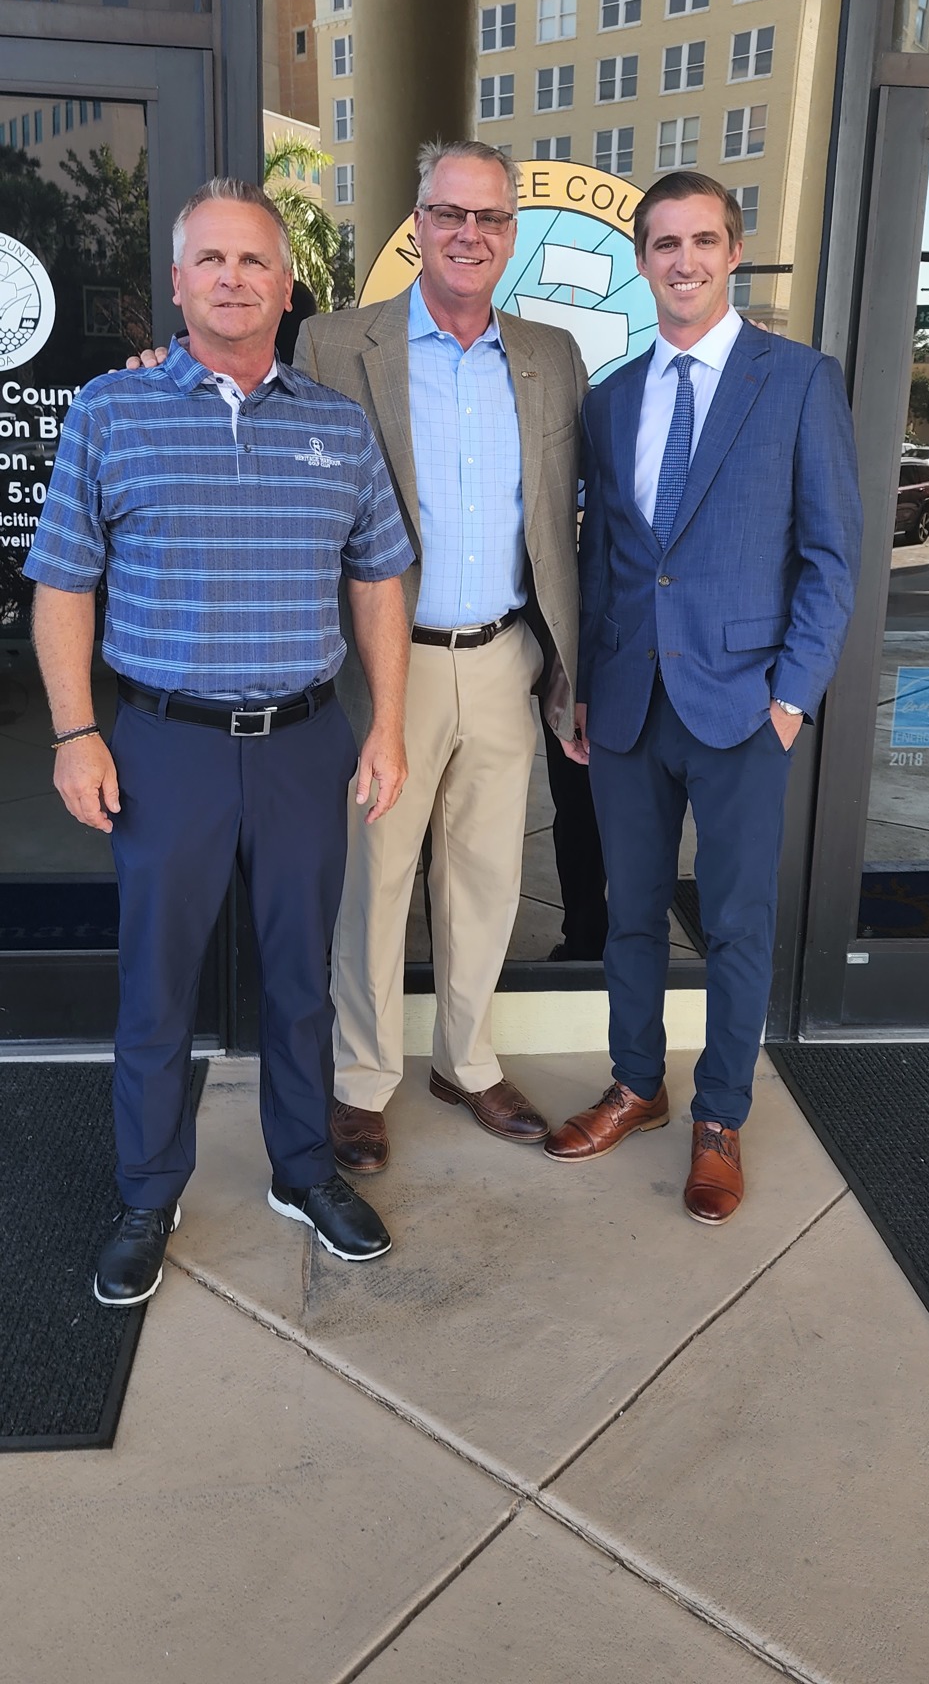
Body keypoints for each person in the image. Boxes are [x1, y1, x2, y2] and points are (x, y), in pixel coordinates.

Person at [25, 178, 414, 1305]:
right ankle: (149, 1189)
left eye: (255, 262)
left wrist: (383, 724)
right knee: (156, 985)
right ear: (179, 284)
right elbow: (62, 584)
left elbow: (379, 575)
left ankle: (303, 1170)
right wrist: (75, 730)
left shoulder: (337, 425)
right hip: (163, 747)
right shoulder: (111, 411)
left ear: (286, 288)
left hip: (303, 743)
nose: (234, 279)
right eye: (212, 262)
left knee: (300, 975)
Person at [543, 171, 862, 1221]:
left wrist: (789, 696)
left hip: (741, 707)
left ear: (734, 251)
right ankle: (637, 1084)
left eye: (702, 240)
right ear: (641, 261)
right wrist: (584, 689)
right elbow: (602, 559)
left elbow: (830, 557)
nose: (682, 259)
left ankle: (718, 1113)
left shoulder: (799, 381)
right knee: (627, 915)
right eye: (664, 242)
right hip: (628, 706)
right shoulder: (609, 398)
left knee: (733, 922)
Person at [295, 139, 588, 1171]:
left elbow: (565, 524)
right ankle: (362, 1080)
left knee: (484, 876)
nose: (470, 232)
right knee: (374, 879)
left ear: (511, 233)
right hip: (387, 665)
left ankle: (465, 1060)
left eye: (491, 217)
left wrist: (569, 666)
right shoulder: (335, 343)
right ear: (417, 221)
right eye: (450, 212)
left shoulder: (550, 354)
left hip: (506, 655)